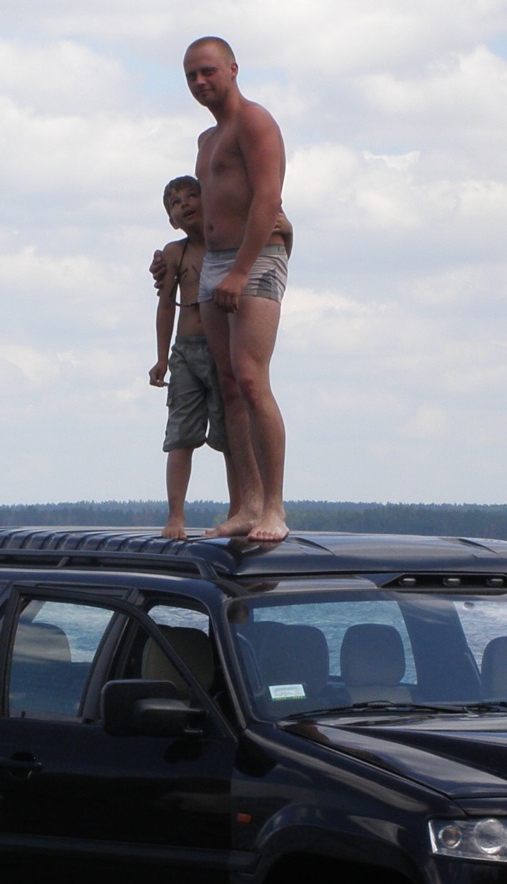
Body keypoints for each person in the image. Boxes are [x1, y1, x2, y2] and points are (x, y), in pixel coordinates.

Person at [183, 35, 293, 543]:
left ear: (232, 69)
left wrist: (241, 270)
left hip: (254, 258)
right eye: (191, 75)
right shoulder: (206, 140)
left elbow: (268, 198)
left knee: (251, 378)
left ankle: (274, 508)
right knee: (227, 384)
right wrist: (177, 256)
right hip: (214, 263)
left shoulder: (255, 121)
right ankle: (247, 504)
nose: (200, 81)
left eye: (208, 71)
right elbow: (211, 208)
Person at [151, 176, 242, 540]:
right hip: (186, 352)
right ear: (171, 220)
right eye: (175, 202)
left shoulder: (229, 244)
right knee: (180, 435)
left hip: (223, 349)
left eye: (192, 195)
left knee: (231, 435)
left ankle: (238, 510)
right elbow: (165, 306)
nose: (185, 203)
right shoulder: (176, 252)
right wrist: (162, 358)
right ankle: (176, 516)